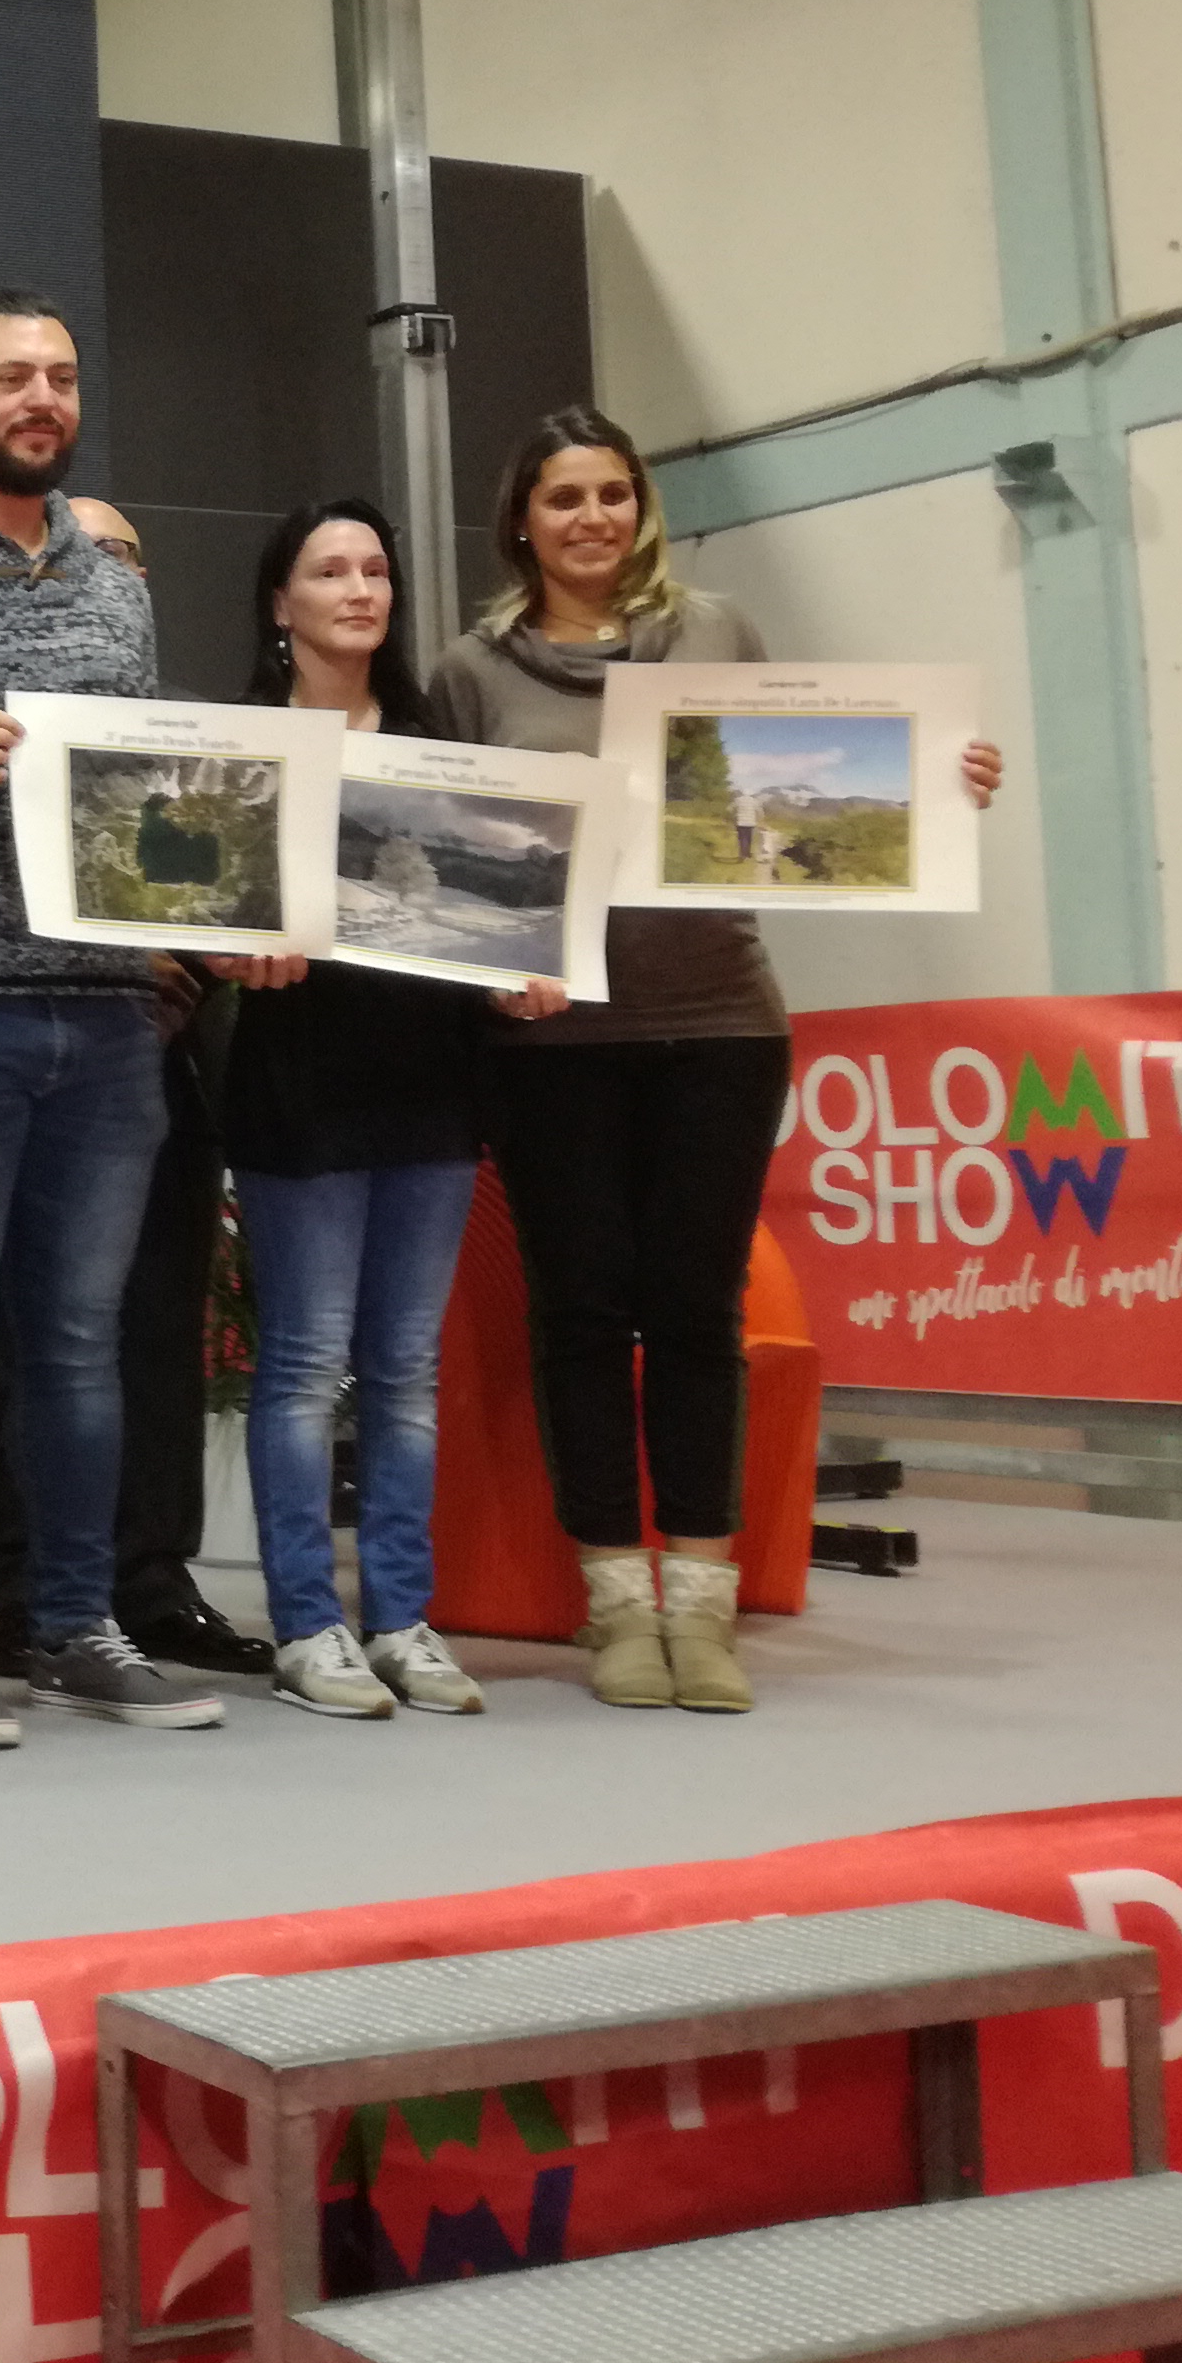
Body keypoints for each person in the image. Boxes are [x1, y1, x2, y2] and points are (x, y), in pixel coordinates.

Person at [430, 410, 999, 1712]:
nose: (591, 519)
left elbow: (807, 789)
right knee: (580, 1315)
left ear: (641, 506)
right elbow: (454, 857)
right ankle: (614, 1605)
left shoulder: (717, 633)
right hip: (554, 1046)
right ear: (520, 520)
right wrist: (487, 971)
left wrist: (937, 781)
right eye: (562, 497)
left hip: (722, 1027)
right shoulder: (469, 672)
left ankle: (702, 1602)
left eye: (611, 494)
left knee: (697, 1314)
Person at [0, 289, 222, 1739]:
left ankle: (73, 1624)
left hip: (112, 1018)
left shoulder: (113, 580)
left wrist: (198, 926)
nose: (41, 400)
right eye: (11, 376)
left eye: (61, 377)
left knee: (80, 1338)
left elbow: (154, 792)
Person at [209, 500, 523, 1721]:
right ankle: (304, 1625)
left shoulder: (440, 748)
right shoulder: (239, 746)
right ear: (277, 602)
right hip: (298, 1086)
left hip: (430, 1082)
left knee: (403, 1368)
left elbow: (500, 903)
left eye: (375, 569)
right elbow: (195, 908)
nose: (358, 589)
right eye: (328, 570)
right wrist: (232, 950)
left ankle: (399, 1618)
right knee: (302, 1364)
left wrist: (520, 964)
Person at [0, 495, 270, 1689]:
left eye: (125, 556)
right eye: (85, 552)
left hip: (159, 1060)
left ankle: (150, 1583)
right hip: (20, 1046)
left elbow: (223, 891)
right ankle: (30, 1593)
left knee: (153, 1329)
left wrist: (188, 960)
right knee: (18, 1340)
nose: (107, 571)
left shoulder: (182, 738)